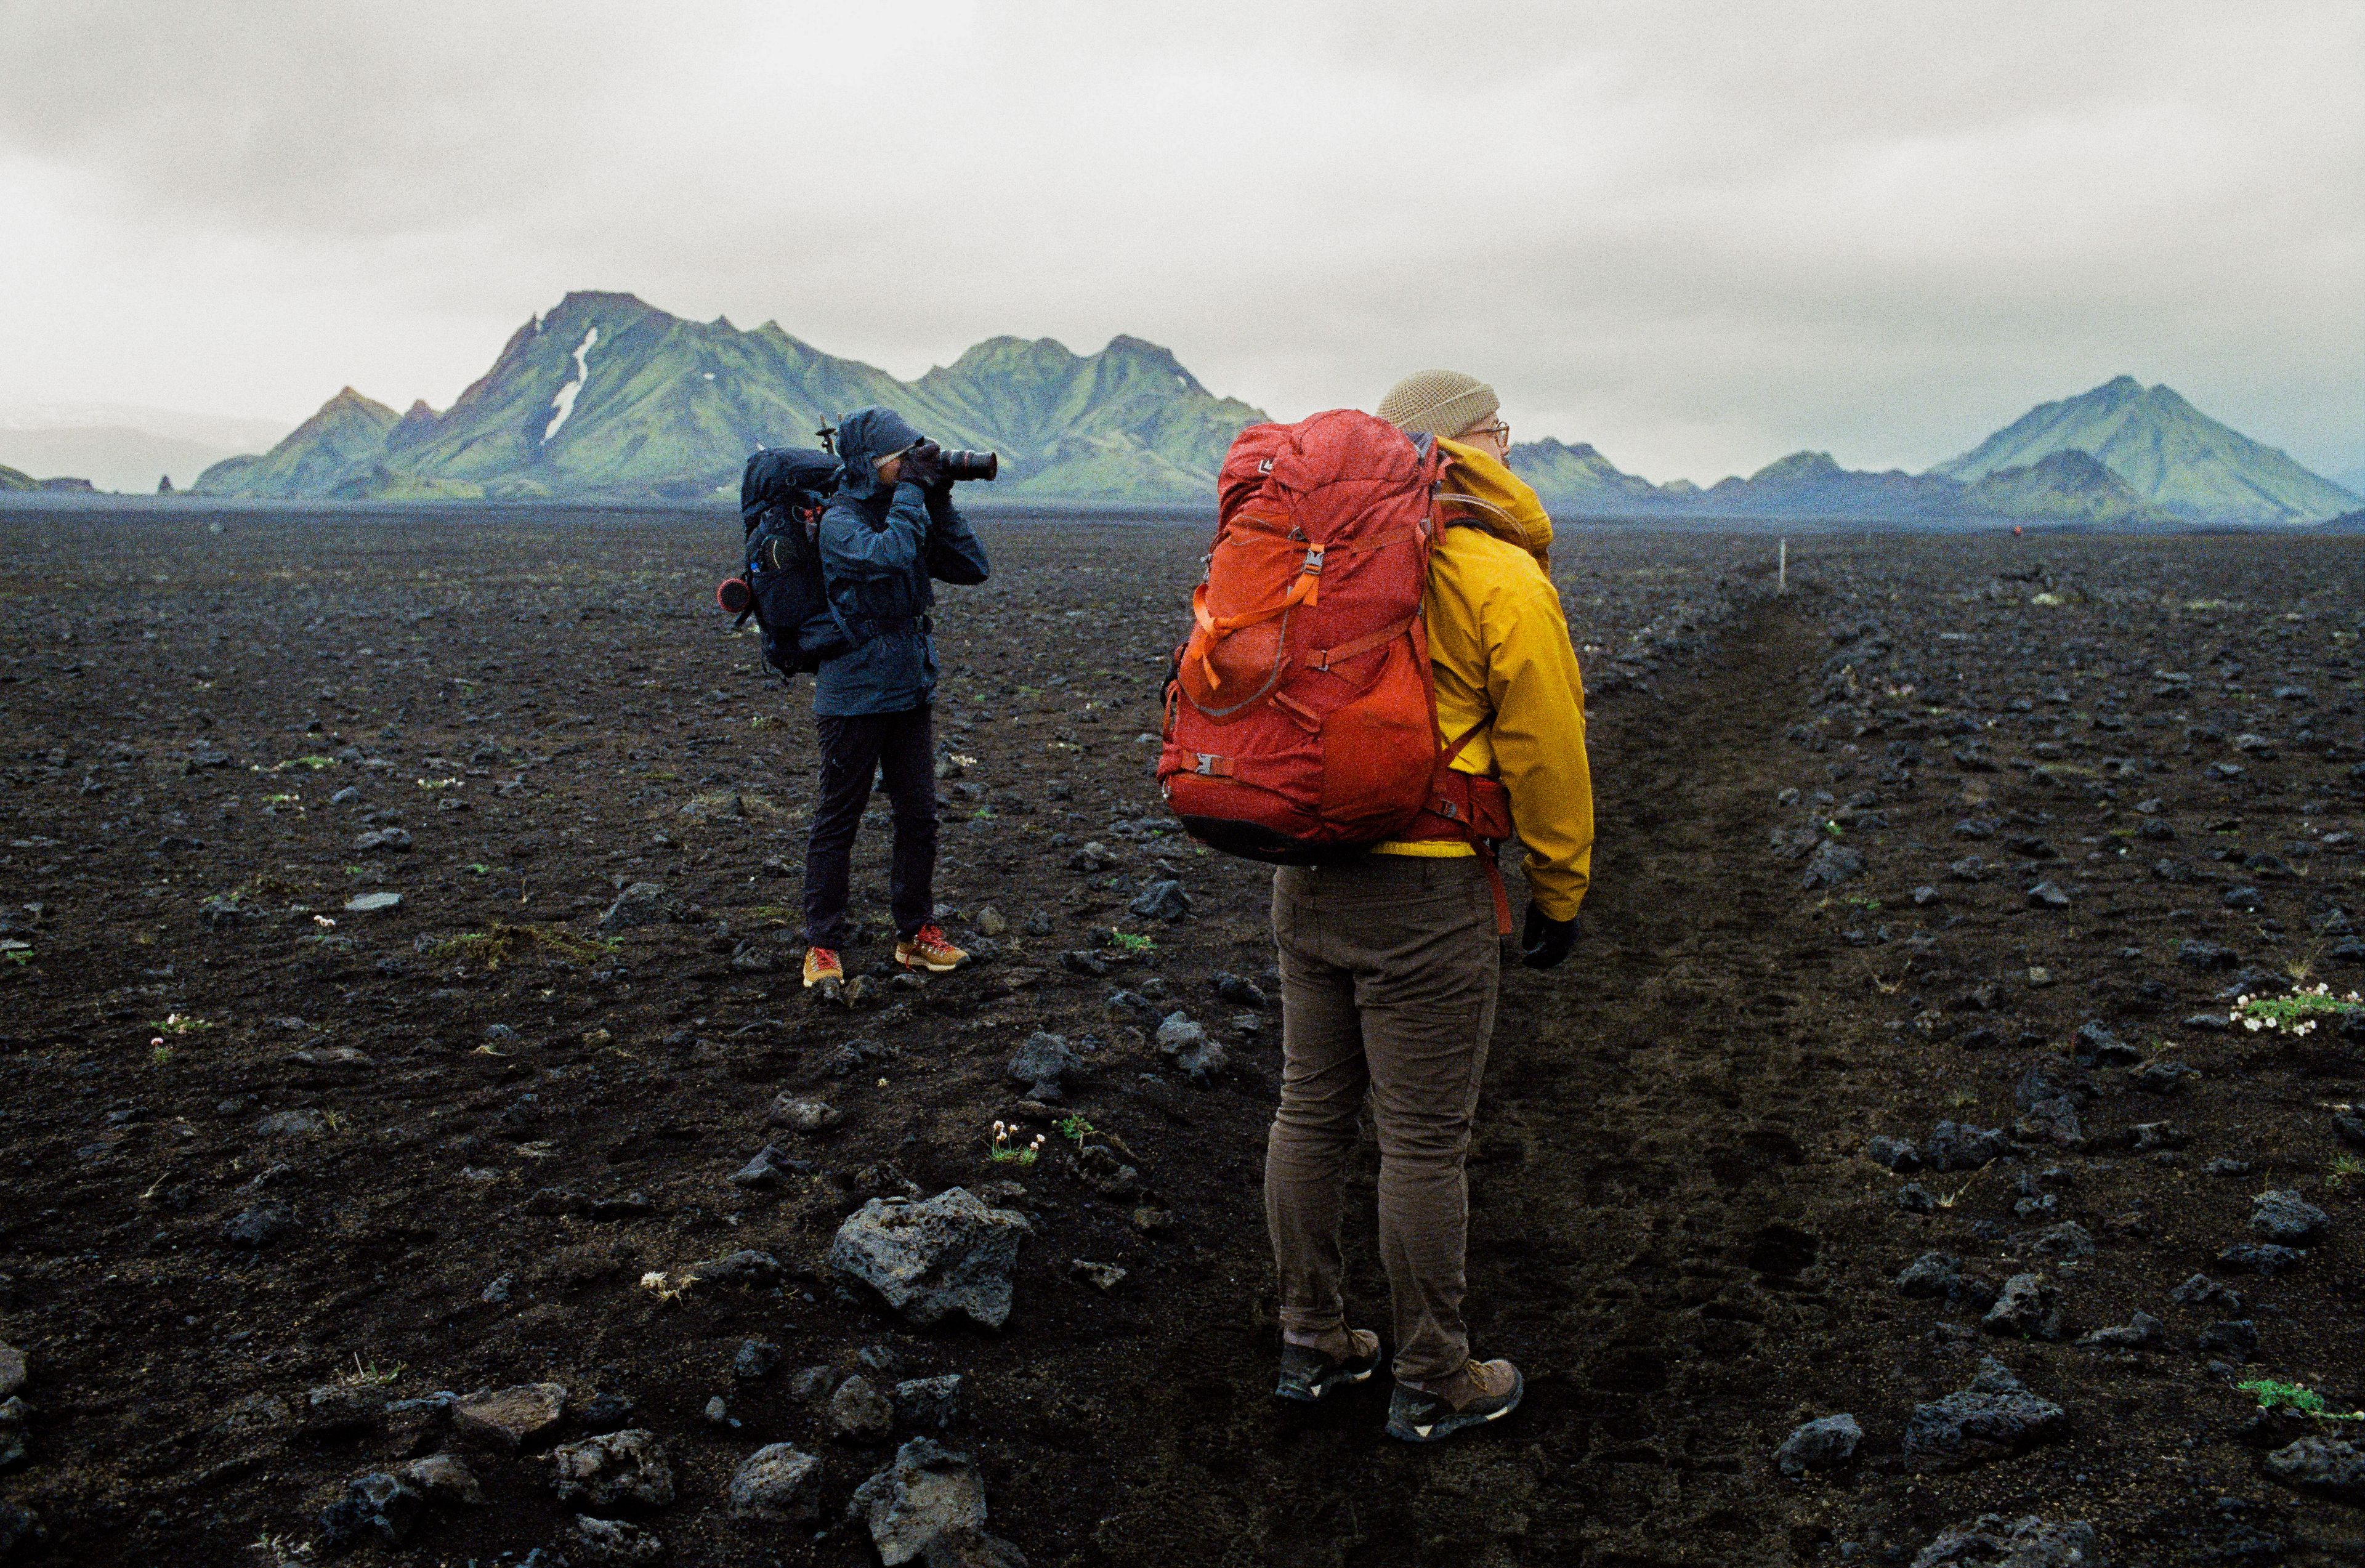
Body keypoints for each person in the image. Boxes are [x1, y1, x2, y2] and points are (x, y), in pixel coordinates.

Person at [1264, 369, 1593, 1444]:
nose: (1513, 447)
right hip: (1426, 883)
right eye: (1505, 430)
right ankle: (1436, 1375)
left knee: (1310, 1109)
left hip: (1305, 873)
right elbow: (1546, 746)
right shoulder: (1496, 573)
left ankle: (1311, 1341)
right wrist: (1562, 886)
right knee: (1420, 1144)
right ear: (1471, 444)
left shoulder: (1314, 556)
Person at [799, 405, 990, 988]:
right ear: (868, 465)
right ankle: (822, 945)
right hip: (852, 694)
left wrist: (939, 499)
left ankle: (914, 935)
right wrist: (912, 495)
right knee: (839, 817)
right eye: (900, 459)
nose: (911, 466)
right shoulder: (839, 521)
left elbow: (972, 566)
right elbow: (889, 557)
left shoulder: (904, 510)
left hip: (909, 688)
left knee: (919, 818)